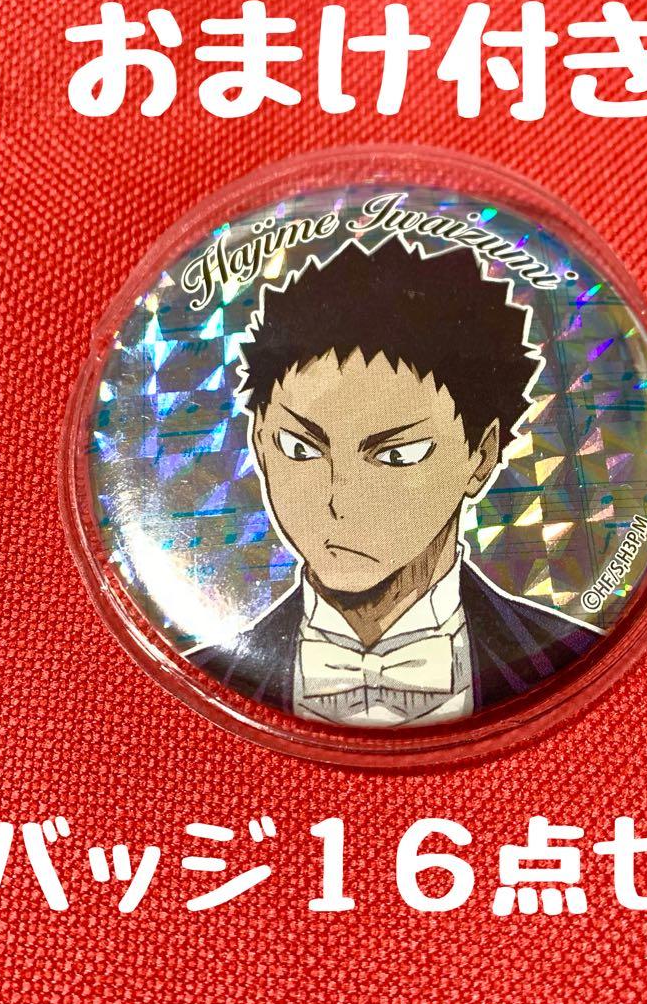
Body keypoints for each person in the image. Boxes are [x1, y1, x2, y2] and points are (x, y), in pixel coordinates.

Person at [185, 233, 601, 727]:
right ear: (259, 442)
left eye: (397, 456)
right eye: (300, 449)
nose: (340, 501)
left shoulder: (565, 648)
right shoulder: (211, 664)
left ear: (481, 457)